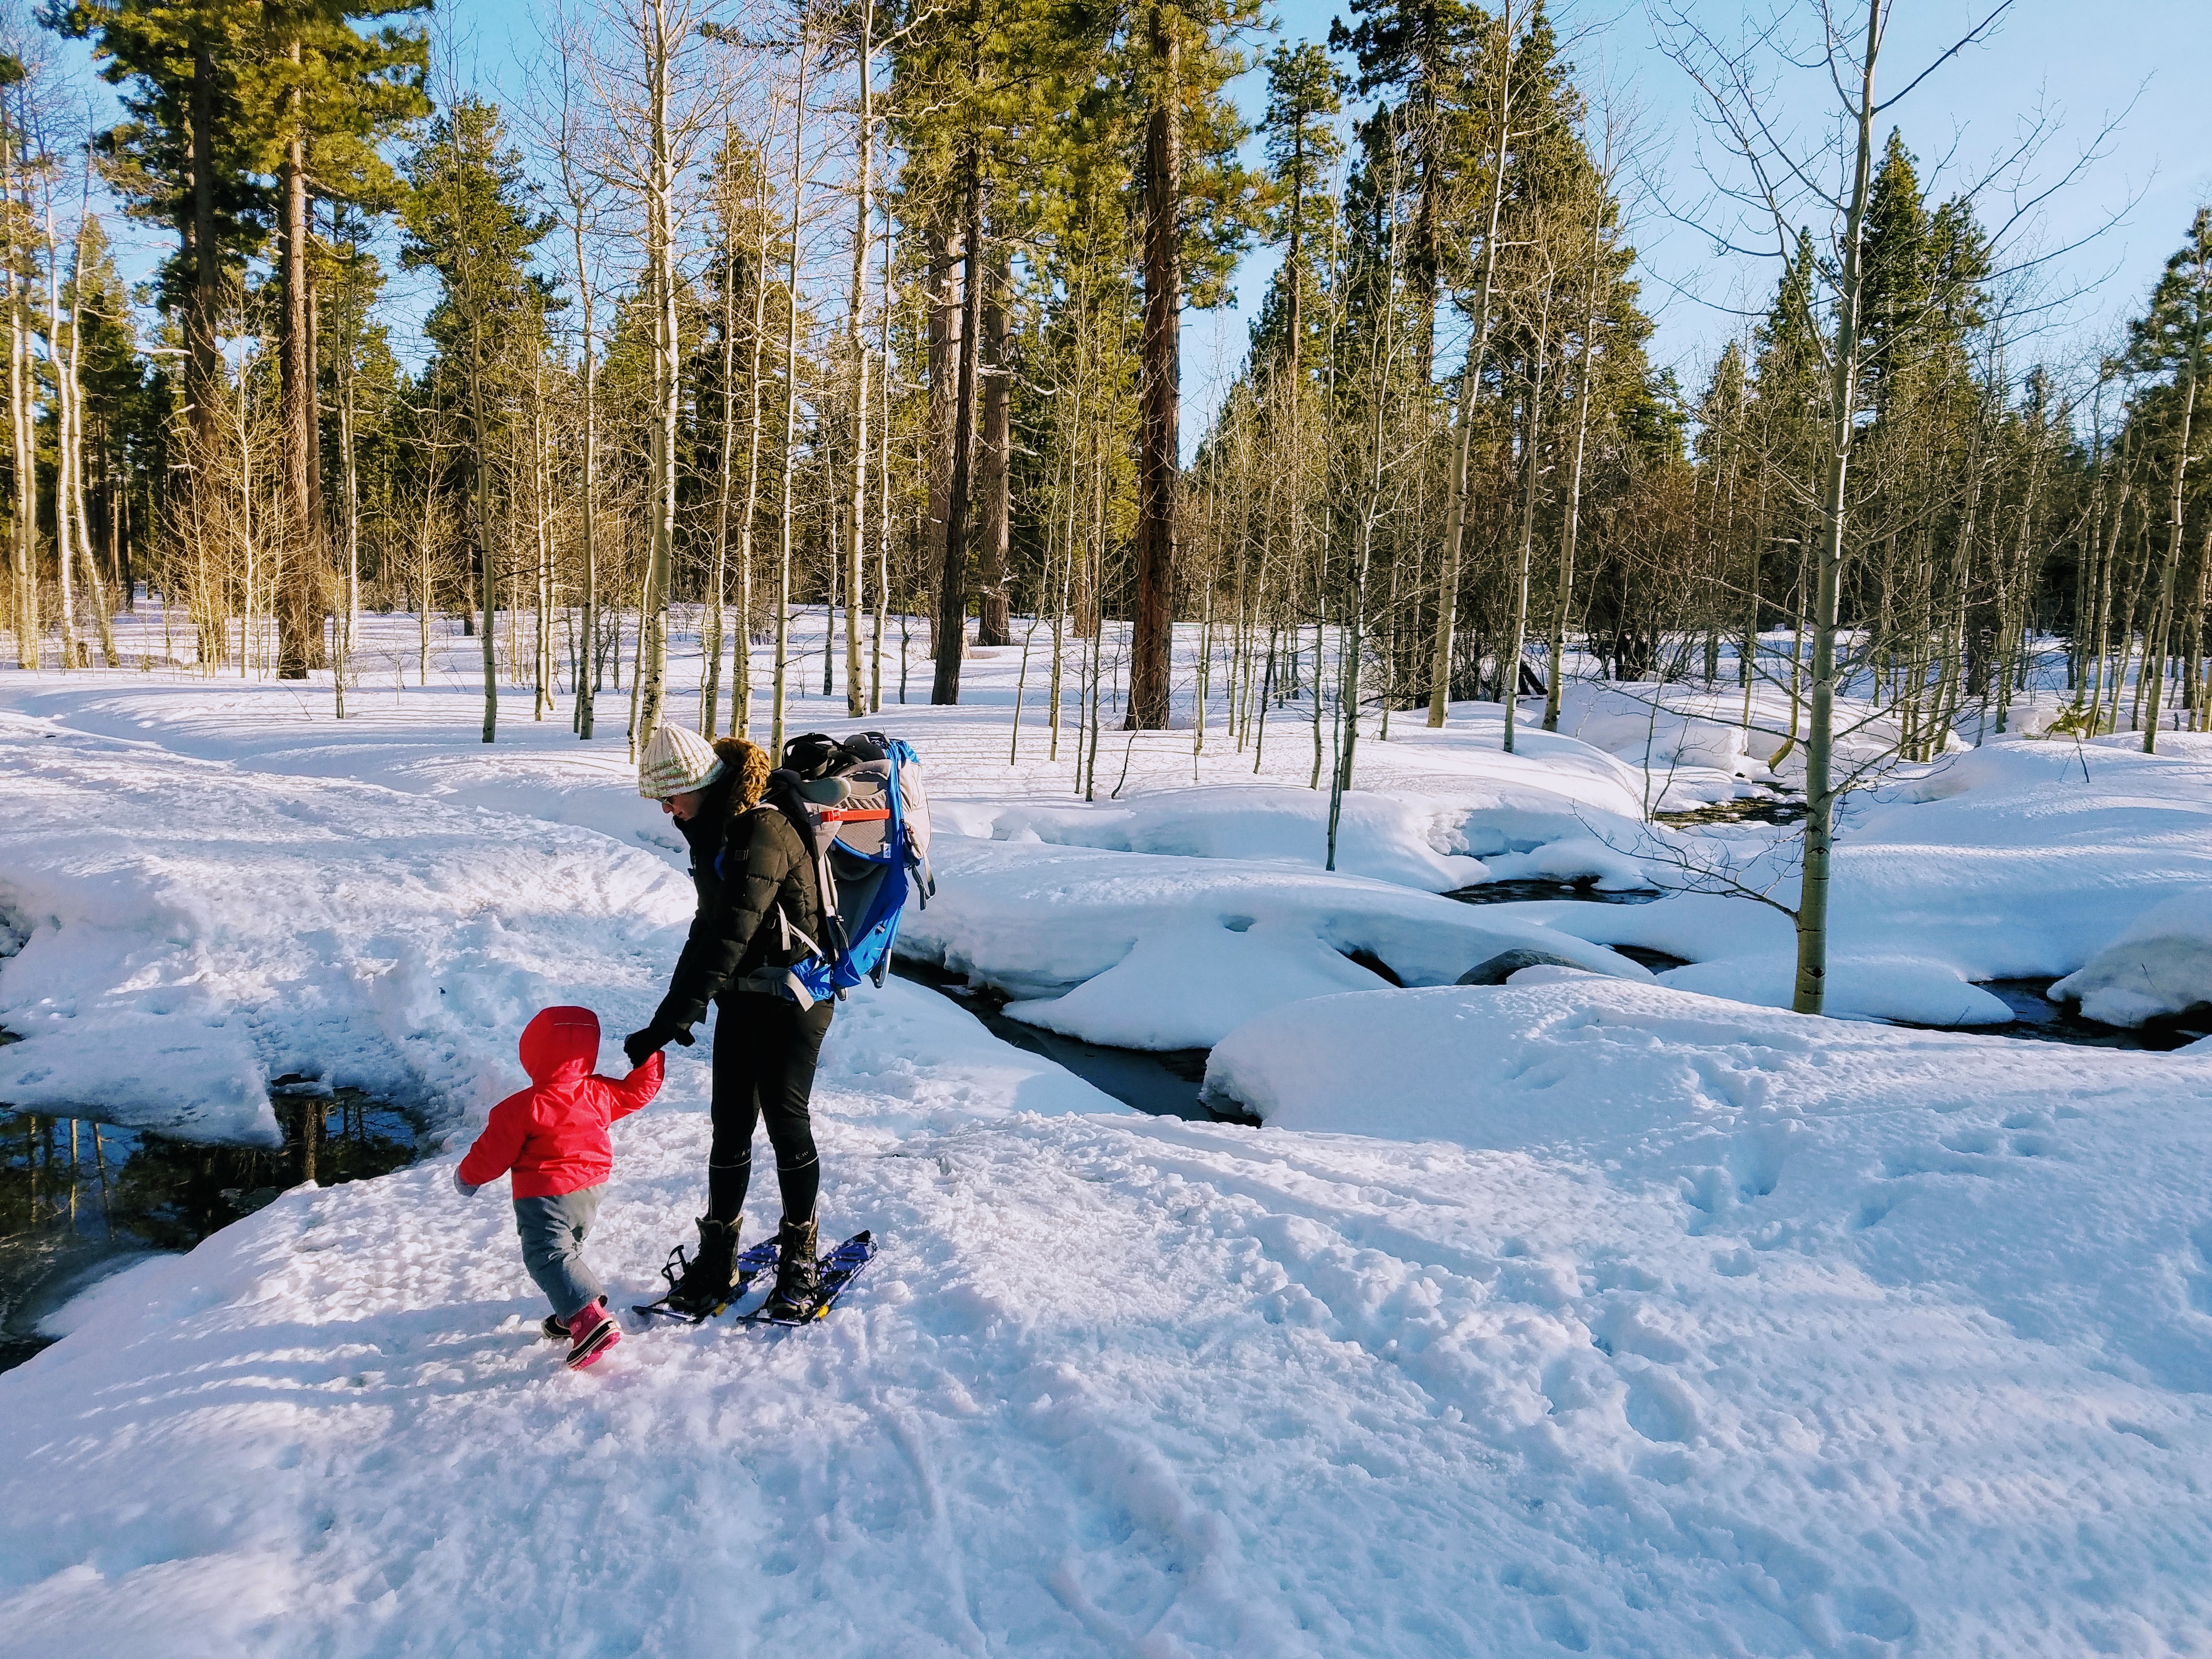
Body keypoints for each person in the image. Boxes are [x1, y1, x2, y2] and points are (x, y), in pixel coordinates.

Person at [624, 724, 832, 1320]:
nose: (667, 810)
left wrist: (674, 1019)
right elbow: (705, 930)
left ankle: (799, 1255)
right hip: (743, 995)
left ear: (698, 784)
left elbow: (731, 934)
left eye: (671, 796)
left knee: (785, 1120)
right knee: (730, 1123)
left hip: (798, 996)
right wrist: (669, 1014)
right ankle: (720, 1254)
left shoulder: (763, 829)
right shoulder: (710, 831)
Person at [455, 1005, 662, 1370]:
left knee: (546, 1254)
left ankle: (587, 1318)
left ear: (531, 1053)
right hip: (592, 1189)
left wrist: (468, 1178)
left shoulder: (522, 1108)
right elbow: (637, 1092)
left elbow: (492, 1154)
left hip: (544, 1194)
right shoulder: (597, 1091)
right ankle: (573, 1309)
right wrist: (649, 1057)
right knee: (567, 1250)